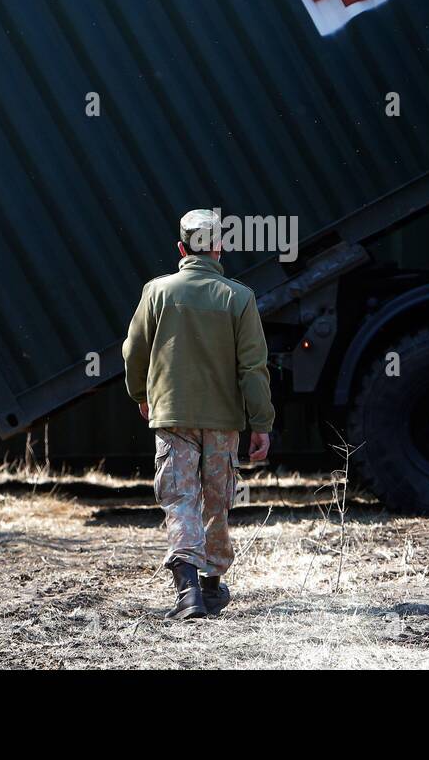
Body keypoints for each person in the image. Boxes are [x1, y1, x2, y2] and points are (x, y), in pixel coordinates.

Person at [122, 209, 274, 619]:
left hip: (172, 415)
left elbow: (133, 351)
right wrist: (261, 423)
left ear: (181, 248)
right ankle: (210, 586)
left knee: (180, 499)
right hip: (223, 421)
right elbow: (253, 369)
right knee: (216, 502)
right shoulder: (238, 297)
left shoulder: (157, 292)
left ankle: (187, 592)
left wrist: (141, 393)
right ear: (219, 247)